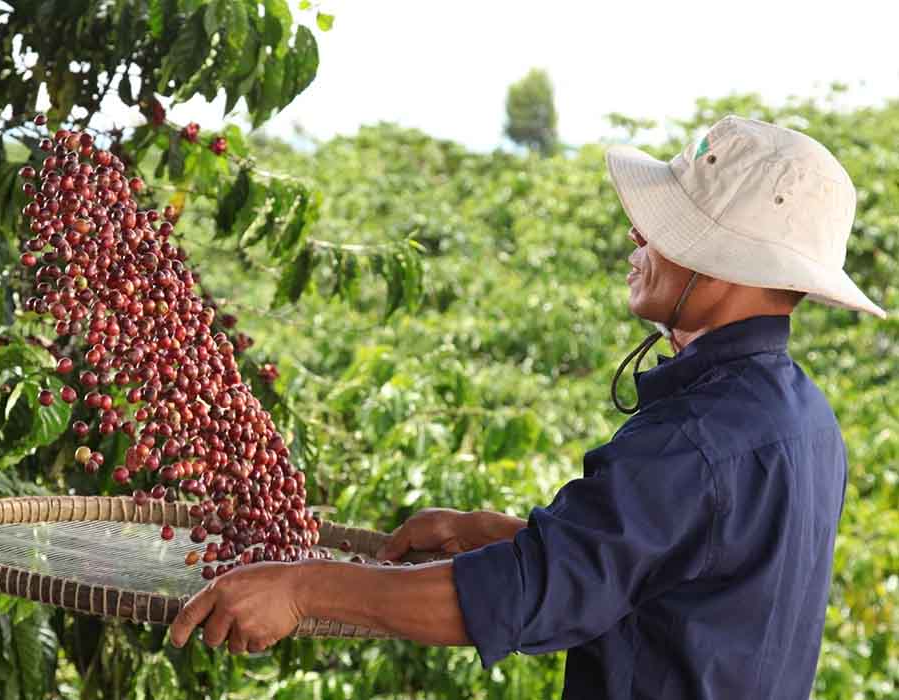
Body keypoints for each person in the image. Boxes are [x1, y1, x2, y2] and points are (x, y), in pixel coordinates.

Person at [169, 115, 886, 699]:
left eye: (664, 226)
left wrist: (303, 587)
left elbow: (520, 597)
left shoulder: (694, 442)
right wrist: (495, 532)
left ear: (727, 261)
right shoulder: (803, 419)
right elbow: (683, 571)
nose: (638, 236)